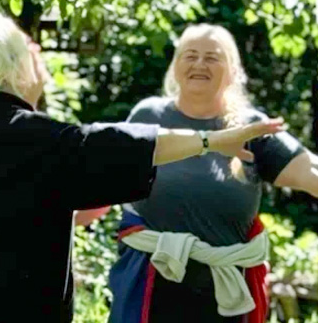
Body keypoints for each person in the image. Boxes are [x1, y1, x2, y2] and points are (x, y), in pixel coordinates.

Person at [0, 13, 285, 323]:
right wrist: (212, 140)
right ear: (14, 71)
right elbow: (121, 146)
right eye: (30, 52)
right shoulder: (32, 140)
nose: (39, 58)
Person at [108, 23, 318, 323]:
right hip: (151, 291)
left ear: (232, 70)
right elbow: (106, 176)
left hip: (225, 301)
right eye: (190, 55)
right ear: (175, 65)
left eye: (212, 57)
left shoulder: (252, 128)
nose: (199, 64)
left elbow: (311, 170)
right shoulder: (147, 116)